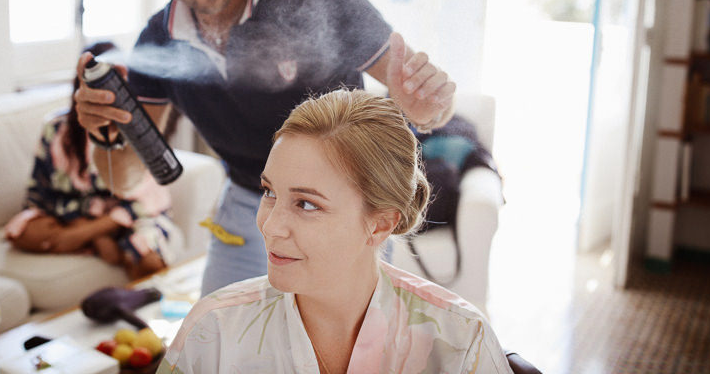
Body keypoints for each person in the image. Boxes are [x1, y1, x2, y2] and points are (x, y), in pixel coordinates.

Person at [74, 0, 457, 295]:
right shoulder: (157, 43)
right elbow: (123, 180)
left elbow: (427, 105)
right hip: (245, 205)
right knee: (219, 347)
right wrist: (107, 135)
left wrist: (428, 104)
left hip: (340, 208)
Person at [157, 89, 512, 373]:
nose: (270, 226)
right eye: (270, 193)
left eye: (307, 204)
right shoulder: (214, 329)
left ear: (381, 223)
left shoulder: (462, 341)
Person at [5, 42, 179, 280]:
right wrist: (92, 231)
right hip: (74, 218)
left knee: (147, 259)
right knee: (25, 232)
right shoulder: (56, 130)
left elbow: (146, 202)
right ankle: (96, 241)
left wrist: (98, 227)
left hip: (125, 219)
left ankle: (103, 244)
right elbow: (38, 197)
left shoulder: (138, 130)